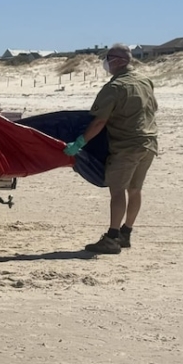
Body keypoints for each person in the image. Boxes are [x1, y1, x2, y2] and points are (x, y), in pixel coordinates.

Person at [63, 43, 158, 254]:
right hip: (149, 143)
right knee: (135, 190)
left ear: (118, 61)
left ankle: (112, 238)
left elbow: (98, 122)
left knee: (117, 191)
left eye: (108, 58)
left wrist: (80, 142)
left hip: (126, 146)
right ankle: (126, 233)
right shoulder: (145, 81)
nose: (105, 62)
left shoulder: (115, 87)